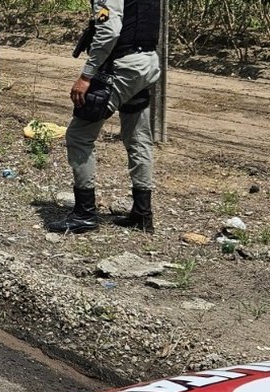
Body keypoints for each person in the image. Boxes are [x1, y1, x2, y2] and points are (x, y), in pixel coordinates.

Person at [50, 0, 161, 235]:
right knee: (138, 137)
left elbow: (109, 30)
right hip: (147, 63)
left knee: (79, 135)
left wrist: (87, 75)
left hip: (122, 66)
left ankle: (84, 214)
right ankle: (142, 214)